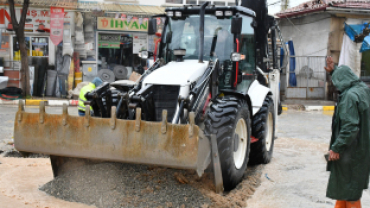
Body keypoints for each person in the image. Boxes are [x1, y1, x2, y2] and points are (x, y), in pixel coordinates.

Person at [324, 56, 370, 208]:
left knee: (349, 191)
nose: (336, 86)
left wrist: (337, 147)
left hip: (350, 152)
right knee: (345, 189)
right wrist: (334, 71)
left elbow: (350, 127)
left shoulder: (349, 97)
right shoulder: (362, 89)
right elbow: (345, 77)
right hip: (361, 149)